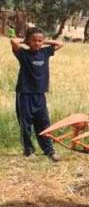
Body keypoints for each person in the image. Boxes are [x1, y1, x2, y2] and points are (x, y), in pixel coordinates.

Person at [8, 27, 63, 161]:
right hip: (25, 94)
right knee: (26, 125)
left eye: (40, 41)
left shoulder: (45, 52)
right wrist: (25, 40)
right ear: (28, 41)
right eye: (34, 40)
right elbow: (13, 41)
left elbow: (61, 44)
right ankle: (28, 151)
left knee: (44, 123)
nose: (37, 43)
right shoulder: (23, 54)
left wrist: (44, 41)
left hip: (40, 94)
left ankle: (49, 151)